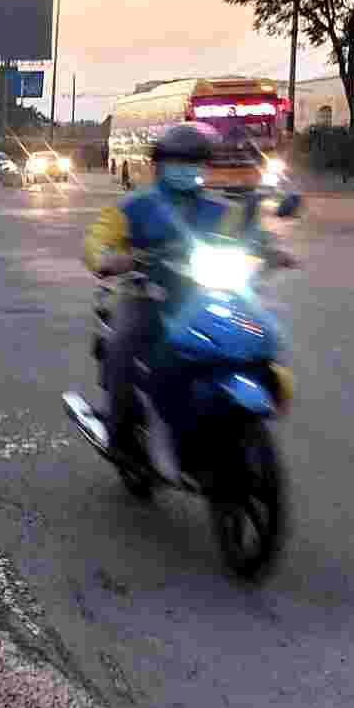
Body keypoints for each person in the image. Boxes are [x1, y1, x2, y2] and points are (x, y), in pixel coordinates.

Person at [82, 123, 235, 464]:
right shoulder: (135, 207)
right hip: (145, 297)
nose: (186, 169)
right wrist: (109, 258)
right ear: (160, 165)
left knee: (244, 343)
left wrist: (270, 251)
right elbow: (97, 239)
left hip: (202, 299)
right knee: (123, 347)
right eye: (177, 162)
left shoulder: (220, 210)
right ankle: (120, 436)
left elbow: (251, 238)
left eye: (194, 162)